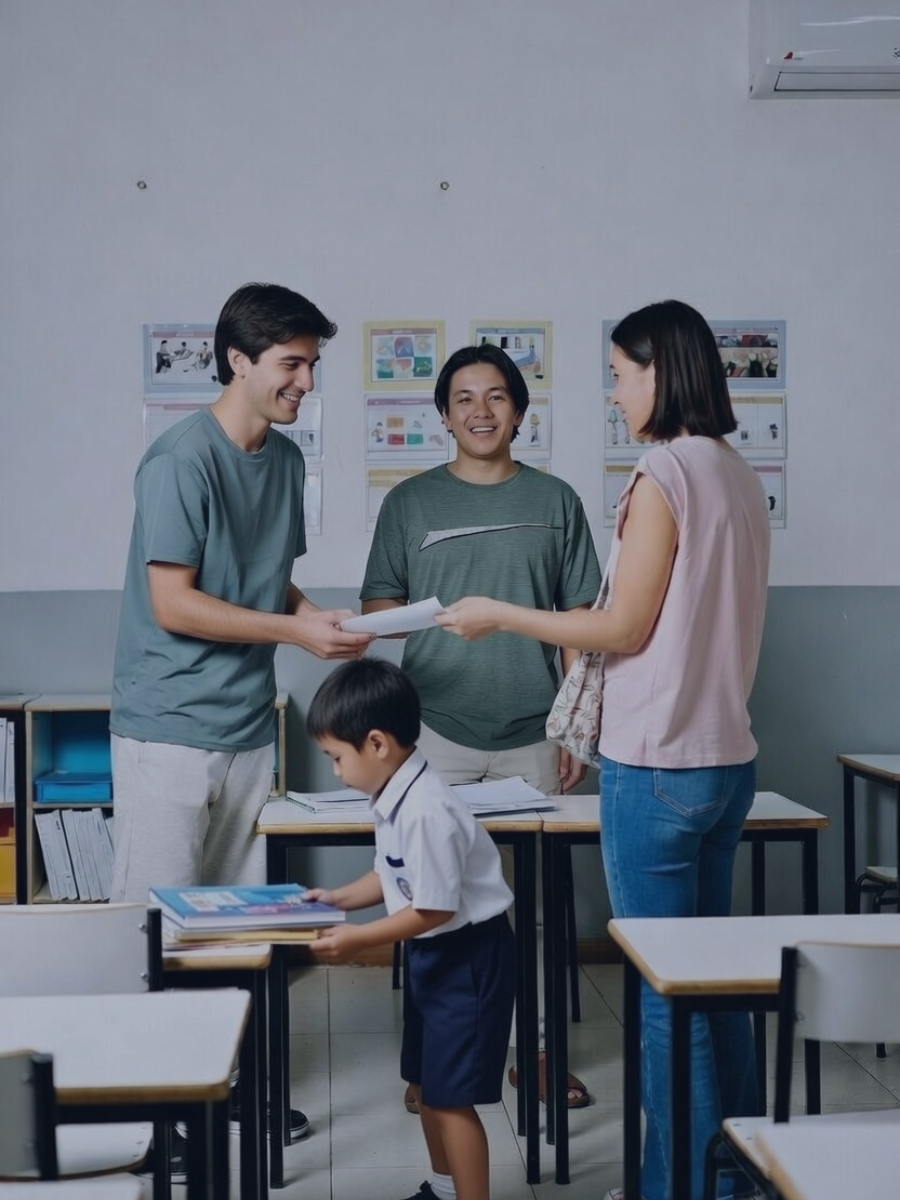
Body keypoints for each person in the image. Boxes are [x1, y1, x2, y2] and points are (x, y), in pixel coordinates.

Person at [436, 299, 771, 1200]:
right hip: (725, 759)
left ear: (659, 372)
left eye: (620, 375)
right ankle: (734, 1179)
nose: (616, 394)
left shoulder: (665, 470)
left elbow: (620, 626)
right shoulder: (735, 472)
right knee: (715, 982)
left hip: (657, 763)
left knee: (666, 998)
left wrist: (497, 613)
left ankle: (678, 1189)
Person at [109, 281, 373, 1166]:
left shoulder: (287, 462)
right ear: (238, 359)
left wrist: (320, 618)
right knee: (158, 932)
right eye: (291, 364)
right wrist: (295, 630)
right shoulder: (180, 459)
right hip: (168, 726)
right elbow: (174, 602)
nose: (305, 381)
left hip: (246, 729)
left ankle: (222, 1095)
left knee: (237, 932)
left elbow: (270, 589)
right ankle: (147, 1122)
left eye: (312, 364)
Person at [360, 341, 601, 1111]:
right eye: (464, 398)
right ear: (442, 415)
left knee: (529, 910)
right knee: (427, 900)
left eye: (496, 397)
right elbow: (376, 609)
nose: (481, 411)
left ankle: (531, 1054)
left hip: (533, 732)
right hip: (432, 735)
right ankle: (434, 1061)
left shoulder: (557, 500)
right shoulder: (410, 503)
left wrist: (575, 735)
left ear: (521, 413)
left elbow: (579, 625)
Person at [304, 658, 516, 1200]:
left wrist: (357, 938)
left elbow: (435, 909)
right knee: (424, 1086)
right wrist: (337, 899)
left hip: (468, 957)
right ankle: (444, 1190)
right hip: (435, 954)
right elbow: (390, 873)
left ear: (376, 743)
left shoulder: (425, 810)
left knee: (451, 1097)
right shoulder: (394, 795)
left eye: (335, 758)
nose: (335, 773)